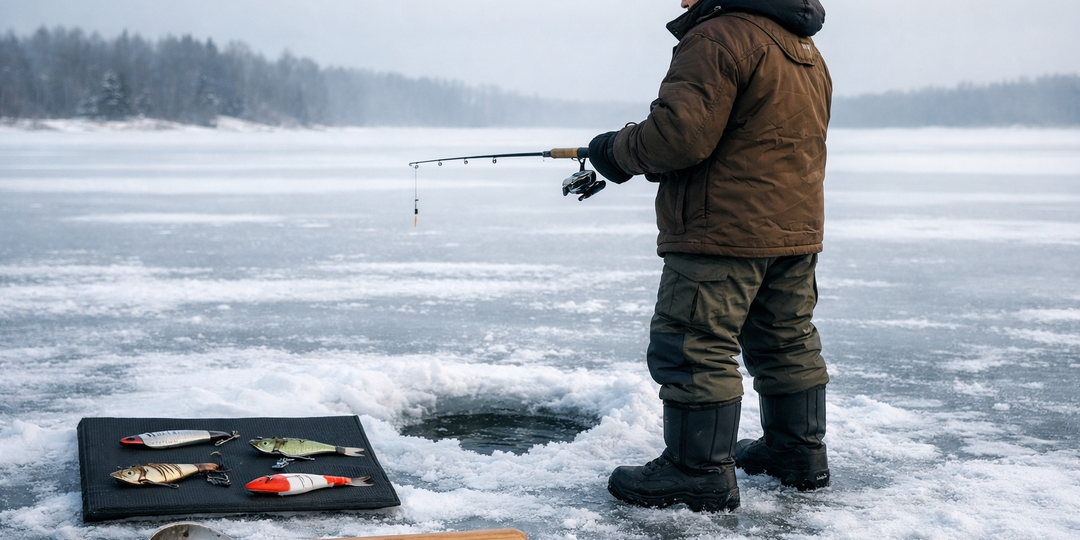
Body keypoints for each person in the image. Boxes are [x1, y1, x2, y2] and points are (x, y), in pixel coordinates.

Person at [587, 0, 832, 512]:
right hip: (792, 229)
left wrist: (615, 150)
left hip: (722, 229)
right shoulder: (803, 47)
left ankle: (695, 472)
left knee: (693, 344)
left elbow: (679, 136)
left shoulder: (719, 37)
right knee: (785, 339)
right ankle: (797, 453)